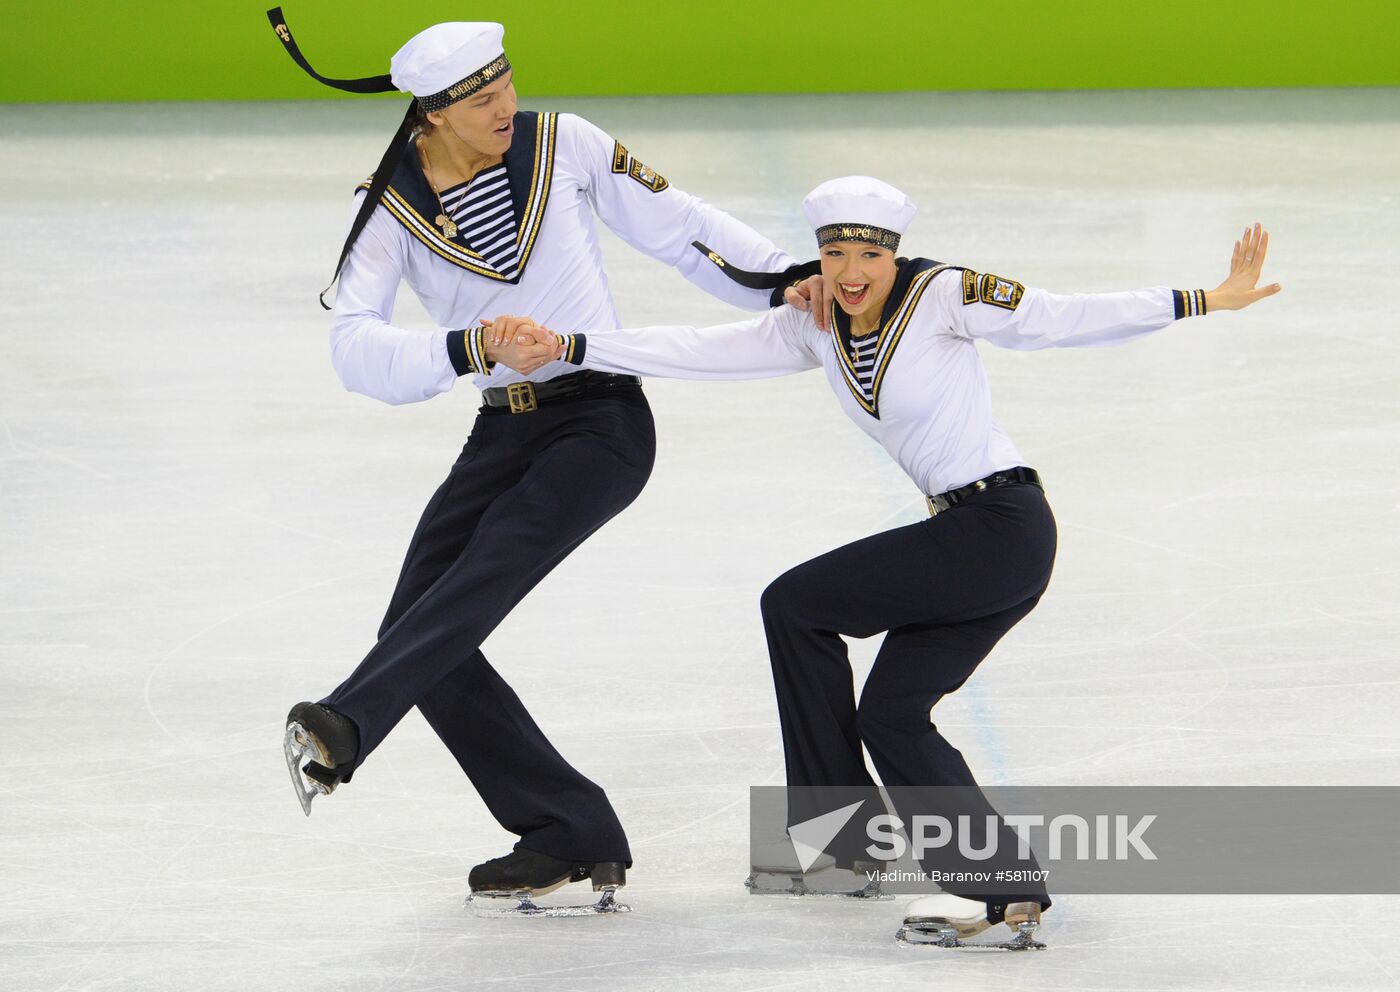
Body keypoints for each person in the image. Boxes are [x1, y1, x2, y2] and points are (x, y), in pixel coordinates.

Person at [489, 175, 1280, 944]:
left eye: (868, 257)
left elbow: (1059, 317)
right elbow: (706, 348)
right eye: (835, 257)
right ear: (819, 259)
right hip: (975, 536)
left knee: (795, 604)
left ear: (894, 255)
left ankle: (841, 849)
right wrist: (572, 345)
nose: (852, 274)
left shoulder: (944, 294)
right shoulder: (817, 320)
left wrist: (1204, 297)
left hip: (999, 526)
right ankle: (1003, 890)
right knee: (891, 717)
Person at [265, 15, 829, 913]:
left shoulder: (563, 143)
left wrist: (780, 277)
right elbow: (353, 348)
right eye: (484, 99)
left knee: (470, 587)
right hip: (499, 429)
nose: (508, 106)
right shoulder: (393, 205)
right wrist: (468, 346)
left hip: (601, 422)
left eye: (508, 84)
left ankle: (348, 721)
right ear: (434, 114)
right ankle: (567, 828)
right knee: (420, 626)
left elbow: (682, 229)